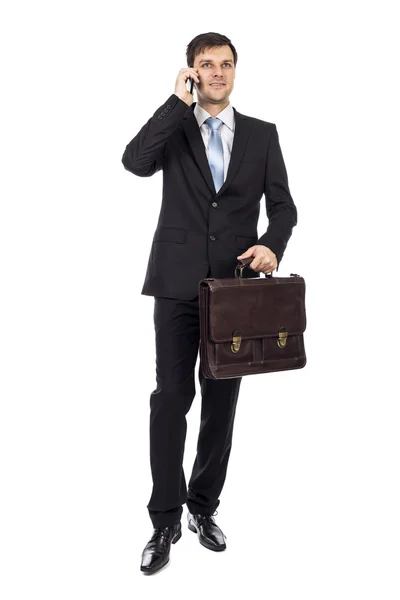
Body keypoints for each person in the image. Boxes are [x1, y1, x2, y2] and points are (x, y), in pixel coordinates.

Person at [121, 32, 298, 575]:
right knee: (170, 399)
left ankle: (203, 507)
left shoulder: (263, 135)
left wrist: (272, 244)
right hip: (176, 284)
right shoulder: (174, 128)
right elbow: (134, 161)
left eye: (225, 64)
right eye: (206, 65)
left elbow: (285, 207)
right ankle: (164, 519)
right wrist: (177, 103)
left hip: (234, 290)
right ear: (192, 72)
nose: (217, 73)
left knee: (220, 406)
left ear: (235, 71)